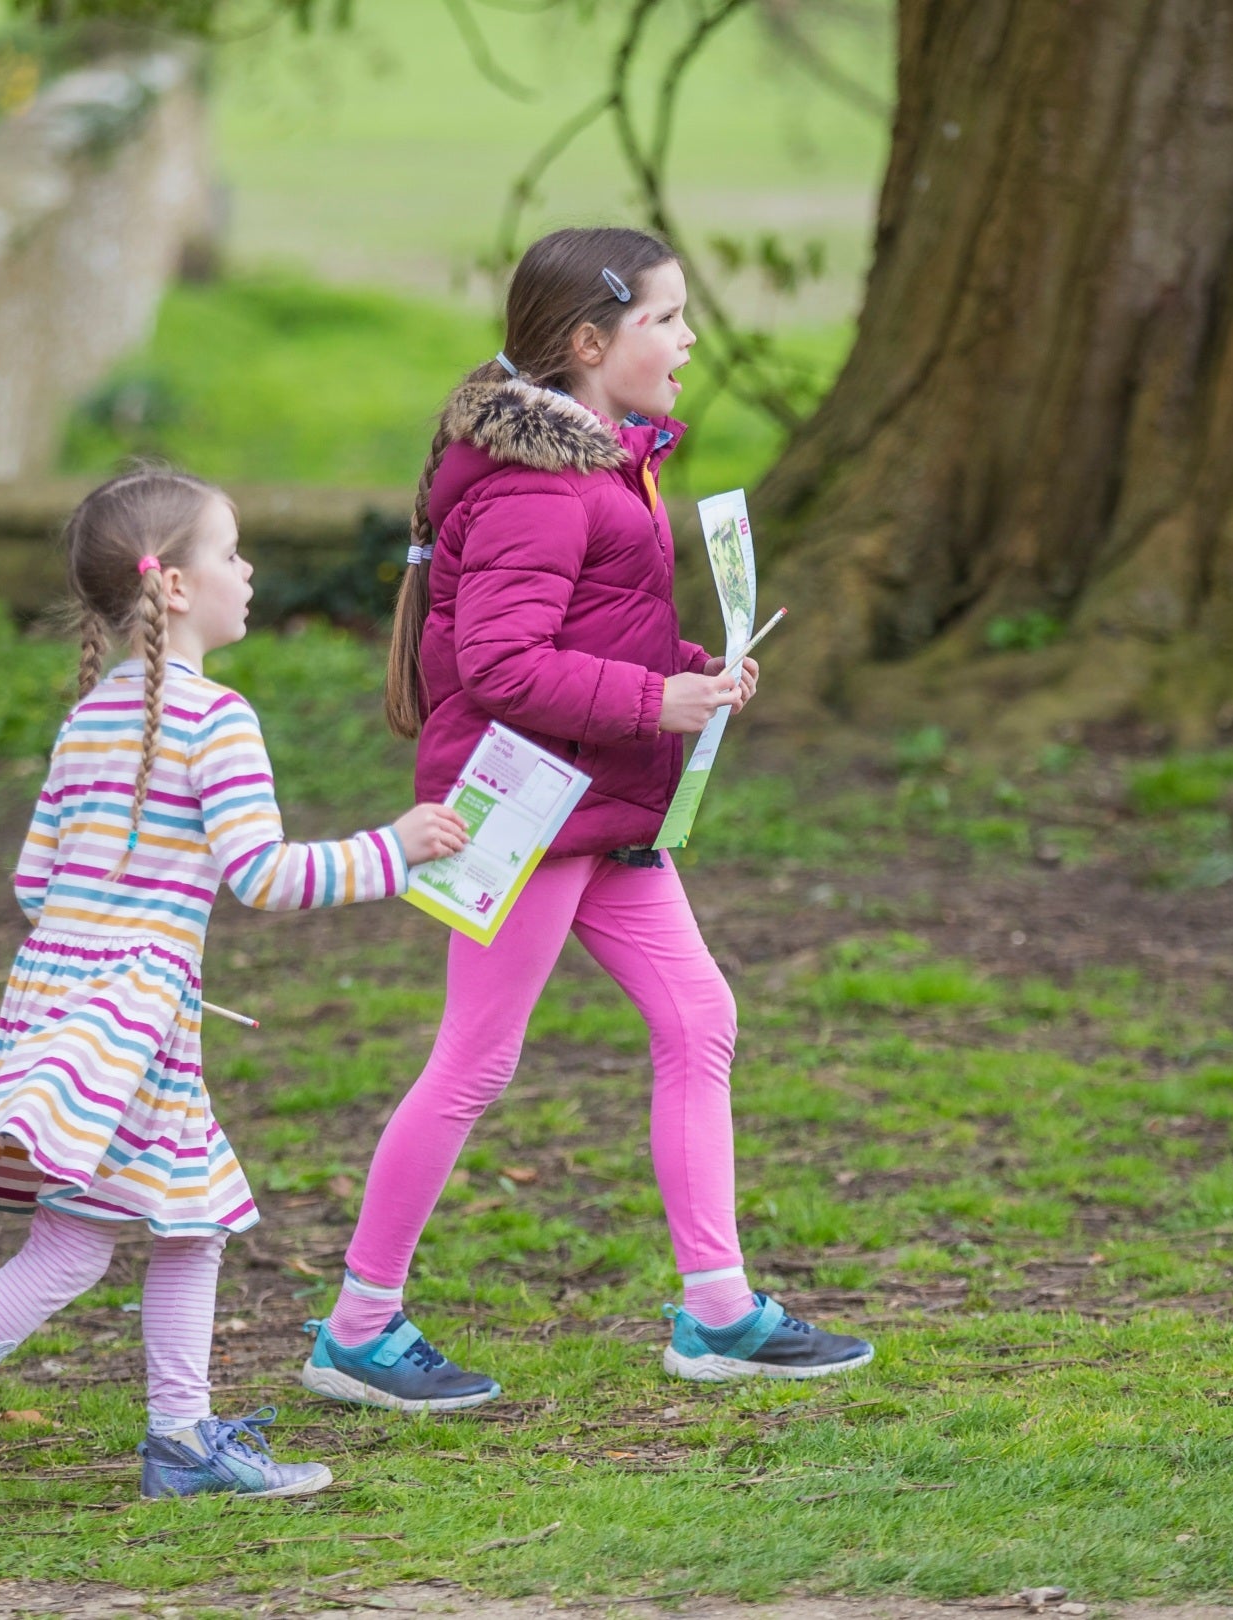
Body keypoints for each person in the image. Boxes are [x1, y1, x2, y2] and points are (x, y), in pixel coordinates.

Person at [0, 466, 471, 1514]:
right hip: (133, 1029)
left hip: (66, 1007)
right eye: (230, 552)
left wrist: (121, 937)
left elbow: (36, 883)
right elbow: (263, 876)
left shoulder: (88, 723)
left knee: (185, 1220)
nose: (247, 571)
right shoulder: (218, 720)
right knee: (74, 1247)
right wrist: (394, 850)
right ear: (173, 588)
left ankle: (174, 1439)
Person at [296, 226, 875, 1415]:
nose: (690, 340)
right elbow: (506, 667)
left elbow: (588, 631)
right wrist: (655, 699)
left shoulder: (607, 466)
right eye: (668, 319)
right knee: (475, 1059)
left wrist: (690, 673)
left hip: (598, 792)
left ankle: (718, 1311)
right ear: (590, 342)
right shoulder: (536, 484)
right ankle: (357, 1329)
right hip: (531, 806)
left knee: (698, 1013)